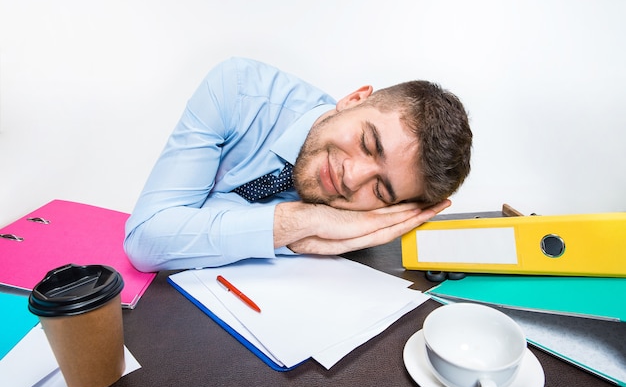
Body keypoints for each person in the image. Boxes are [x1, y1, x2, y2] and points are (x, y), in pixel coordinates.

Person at [124, 57, 472, 272]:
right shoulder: (237, 89)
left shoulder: (362, 219)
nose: (351, 178)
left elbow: (174, 228)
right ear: (353, 99)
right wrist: (302, 223)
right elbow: (146, 240)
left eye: (380, 190)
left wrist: (193, 223)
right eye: (367, 144)